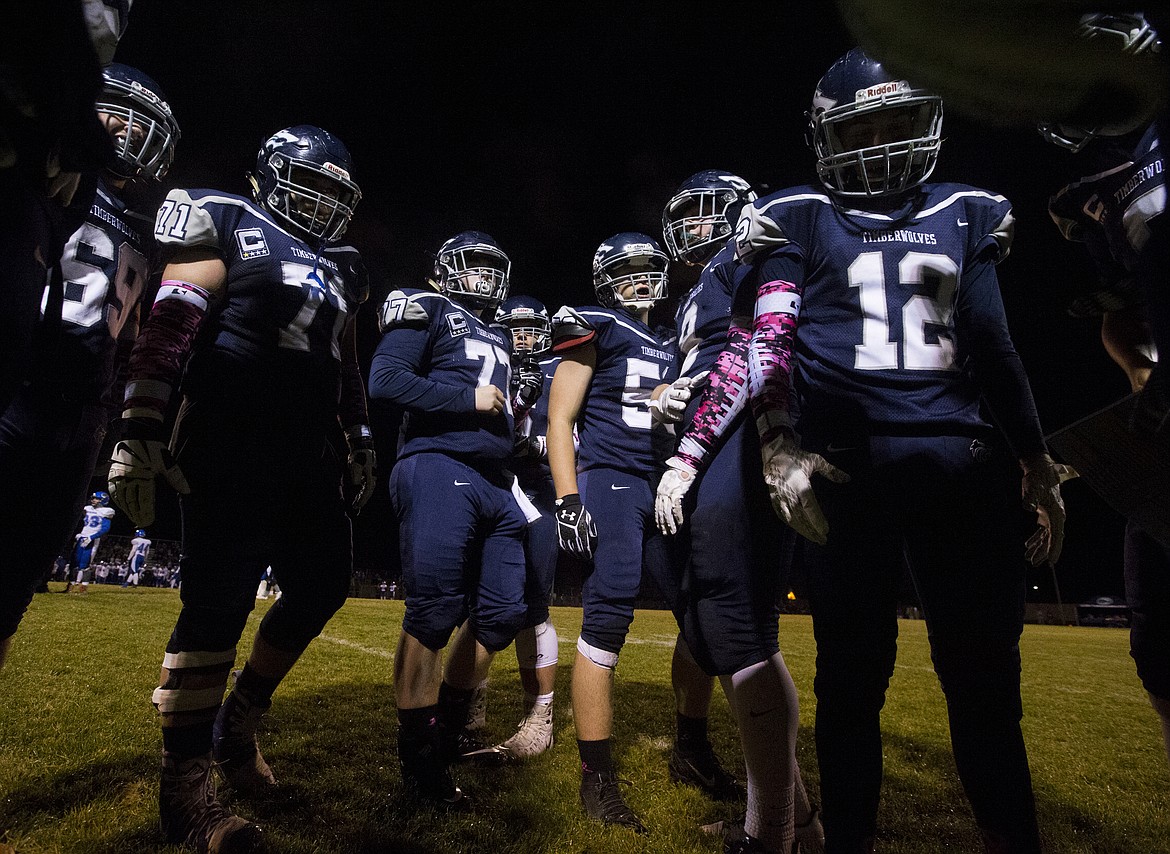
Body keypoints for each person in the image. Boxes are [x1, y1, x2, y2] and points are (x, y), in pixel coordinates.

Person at [709, 48, 1076, 852]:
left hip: (872, 470)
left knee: (907, 686)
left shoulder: (807, 211)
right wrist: (1036, 461)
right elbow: (996, 351)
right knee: (927, 688)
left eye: (895, 123)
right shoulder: (941, 210)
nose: (878, 146)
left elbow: (775, 346)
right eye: (862, 127)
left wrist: (780, 445)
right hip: (924, 469)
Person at [107, 124, 374, 852]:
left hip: (306, 448)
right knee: (217, 604)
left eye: (332, 193)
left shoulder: (346, 265)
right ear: (267, 174)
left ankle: (240, 721)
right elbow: (169, 324)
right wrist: (140, 425)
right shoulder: (227, 216)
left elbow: (344, 361)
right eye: (309, 184)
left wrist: (359, 439)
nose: (319, 204)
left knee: (322, 585)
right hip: (230, 432)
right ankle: (186, 790)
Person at [656, 169, 824, 853]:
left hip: (740, 434)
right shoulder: (696, 287)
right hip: (704, 435)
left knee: (739, 625)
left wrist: (768, 434)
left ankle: (772, 833)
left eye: (705, 213)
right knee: (707, 621)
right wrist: (673, 398)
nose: (694, 228)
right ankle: (801, 822)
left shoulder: (753, 247)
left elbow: (760, 349)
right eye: (684, 215)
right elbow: (711, 357)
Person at [0, 61, 177, 664]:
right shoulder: (51, 177)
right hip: (20, 383)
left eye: (139, 126)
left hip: (79, 410)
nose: (126, 134)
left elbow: (127, 336)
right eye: (117, 117)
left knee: (15, 585)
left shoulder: (144, 229)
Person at [1042, 12, 1170, 772]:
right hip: (1163, 440)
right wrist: (1141, 376)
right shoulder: (1096, 184)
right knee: (1157, 644)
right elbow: (1125, 314)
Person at [546, 231, 706, 833]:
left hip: (663, 483)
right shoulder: (599, 329)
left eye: (648, 269)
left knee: (699, 610)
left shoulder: (672, 341)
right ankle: (597, 776)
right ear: (606, 278)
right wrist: (567, 498)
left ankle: (692, 747)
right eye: (628, 270)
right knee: (610, 607)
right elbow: (561, 418)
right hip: (611, 477)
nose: (640, 279)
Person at [368, 230, 532, 809]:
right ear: (443, 270)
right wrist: (466, 401)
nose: (485, 278)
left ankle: (450, 733)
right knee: (435, 611)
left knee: (502, 612)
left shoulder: (502, 333)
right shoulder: (427, 305)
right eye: (474, 266)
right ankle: (420, 766)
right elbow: (384, 381)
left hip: (495, 481)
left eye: (494, 268)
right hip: (438, 465)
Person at [468, 294, 561, 759]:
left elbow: (575, 430)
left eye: (531, 328)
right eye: (515, 328)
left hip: (539, 497)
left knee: (533, 607)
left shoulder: (559, 370)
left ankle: (539, 715)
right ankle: (470, 706)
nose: (523, 337)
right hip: (494, 492)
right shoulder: (492, 362)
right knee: (479, 602)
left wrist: (540, 445)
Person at [66, 490, 116, 592]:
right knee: (74, 562)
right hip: (82, 537)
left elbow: (105, 528)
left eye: (96, 498)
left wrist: (91, 537)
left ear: (103, 500)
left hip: (92, 539)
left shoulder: (106, 511)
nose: (93, 500)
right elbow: (81, 521)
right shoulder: (87, 509)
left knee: (85, 564)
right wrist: (80, 533)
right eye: (93, 498)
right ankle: (70, 586)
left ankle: (83, 588)